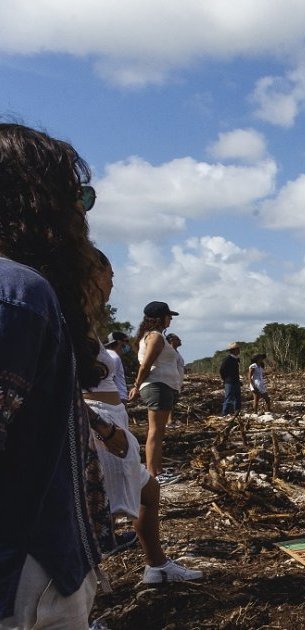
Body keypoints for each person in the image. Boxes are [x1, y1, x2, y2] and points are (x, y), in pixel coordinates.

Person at [0, 123, 121, 626]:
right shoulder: (19, 294)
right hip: (26, 576)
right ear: (35, 201)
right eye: (78, 196)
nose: (83, 212)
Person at [85, 340, 202, 585]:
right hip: (97, 425)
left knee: (147, 490)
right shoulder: (59, 319)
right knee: (91, 510)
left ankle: (157, 566)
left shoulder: (81, 321)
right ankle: (79, 601)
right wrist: (101, 426)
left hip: (109, 420)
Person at [129, 301, 184, 481]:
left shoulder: (157, 336)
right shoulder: (155, 337)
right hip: (156, 386)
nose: (171, 320)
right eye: (169, 316)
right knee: (155, 430)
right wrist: (136, 386)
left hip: (163, 386)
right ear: (160, 318)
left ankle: (157, 470)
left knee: (159, 431)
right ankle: (152, 474)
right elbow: (146, 364)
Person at [103, 331, 131, 402]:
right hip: (118, 398)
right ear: (119, 342)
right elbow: (110, 378)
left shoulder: (107, 355)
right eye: (126, 341)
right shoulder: (114, 357)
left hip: (115, 396)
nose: (128, 344)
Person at [218, 342, 242, 416]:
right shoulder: (227, 359)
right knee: (228, 399)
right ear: (233, 350)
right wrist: (225, 379)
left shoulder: (235, 359)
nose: (239, 350)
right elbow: (222, 370)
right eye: (238, 349)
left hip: (236, 382)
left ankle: (237, 414)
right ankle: (224, 415)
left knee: (237, 399)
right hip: (229, 382)